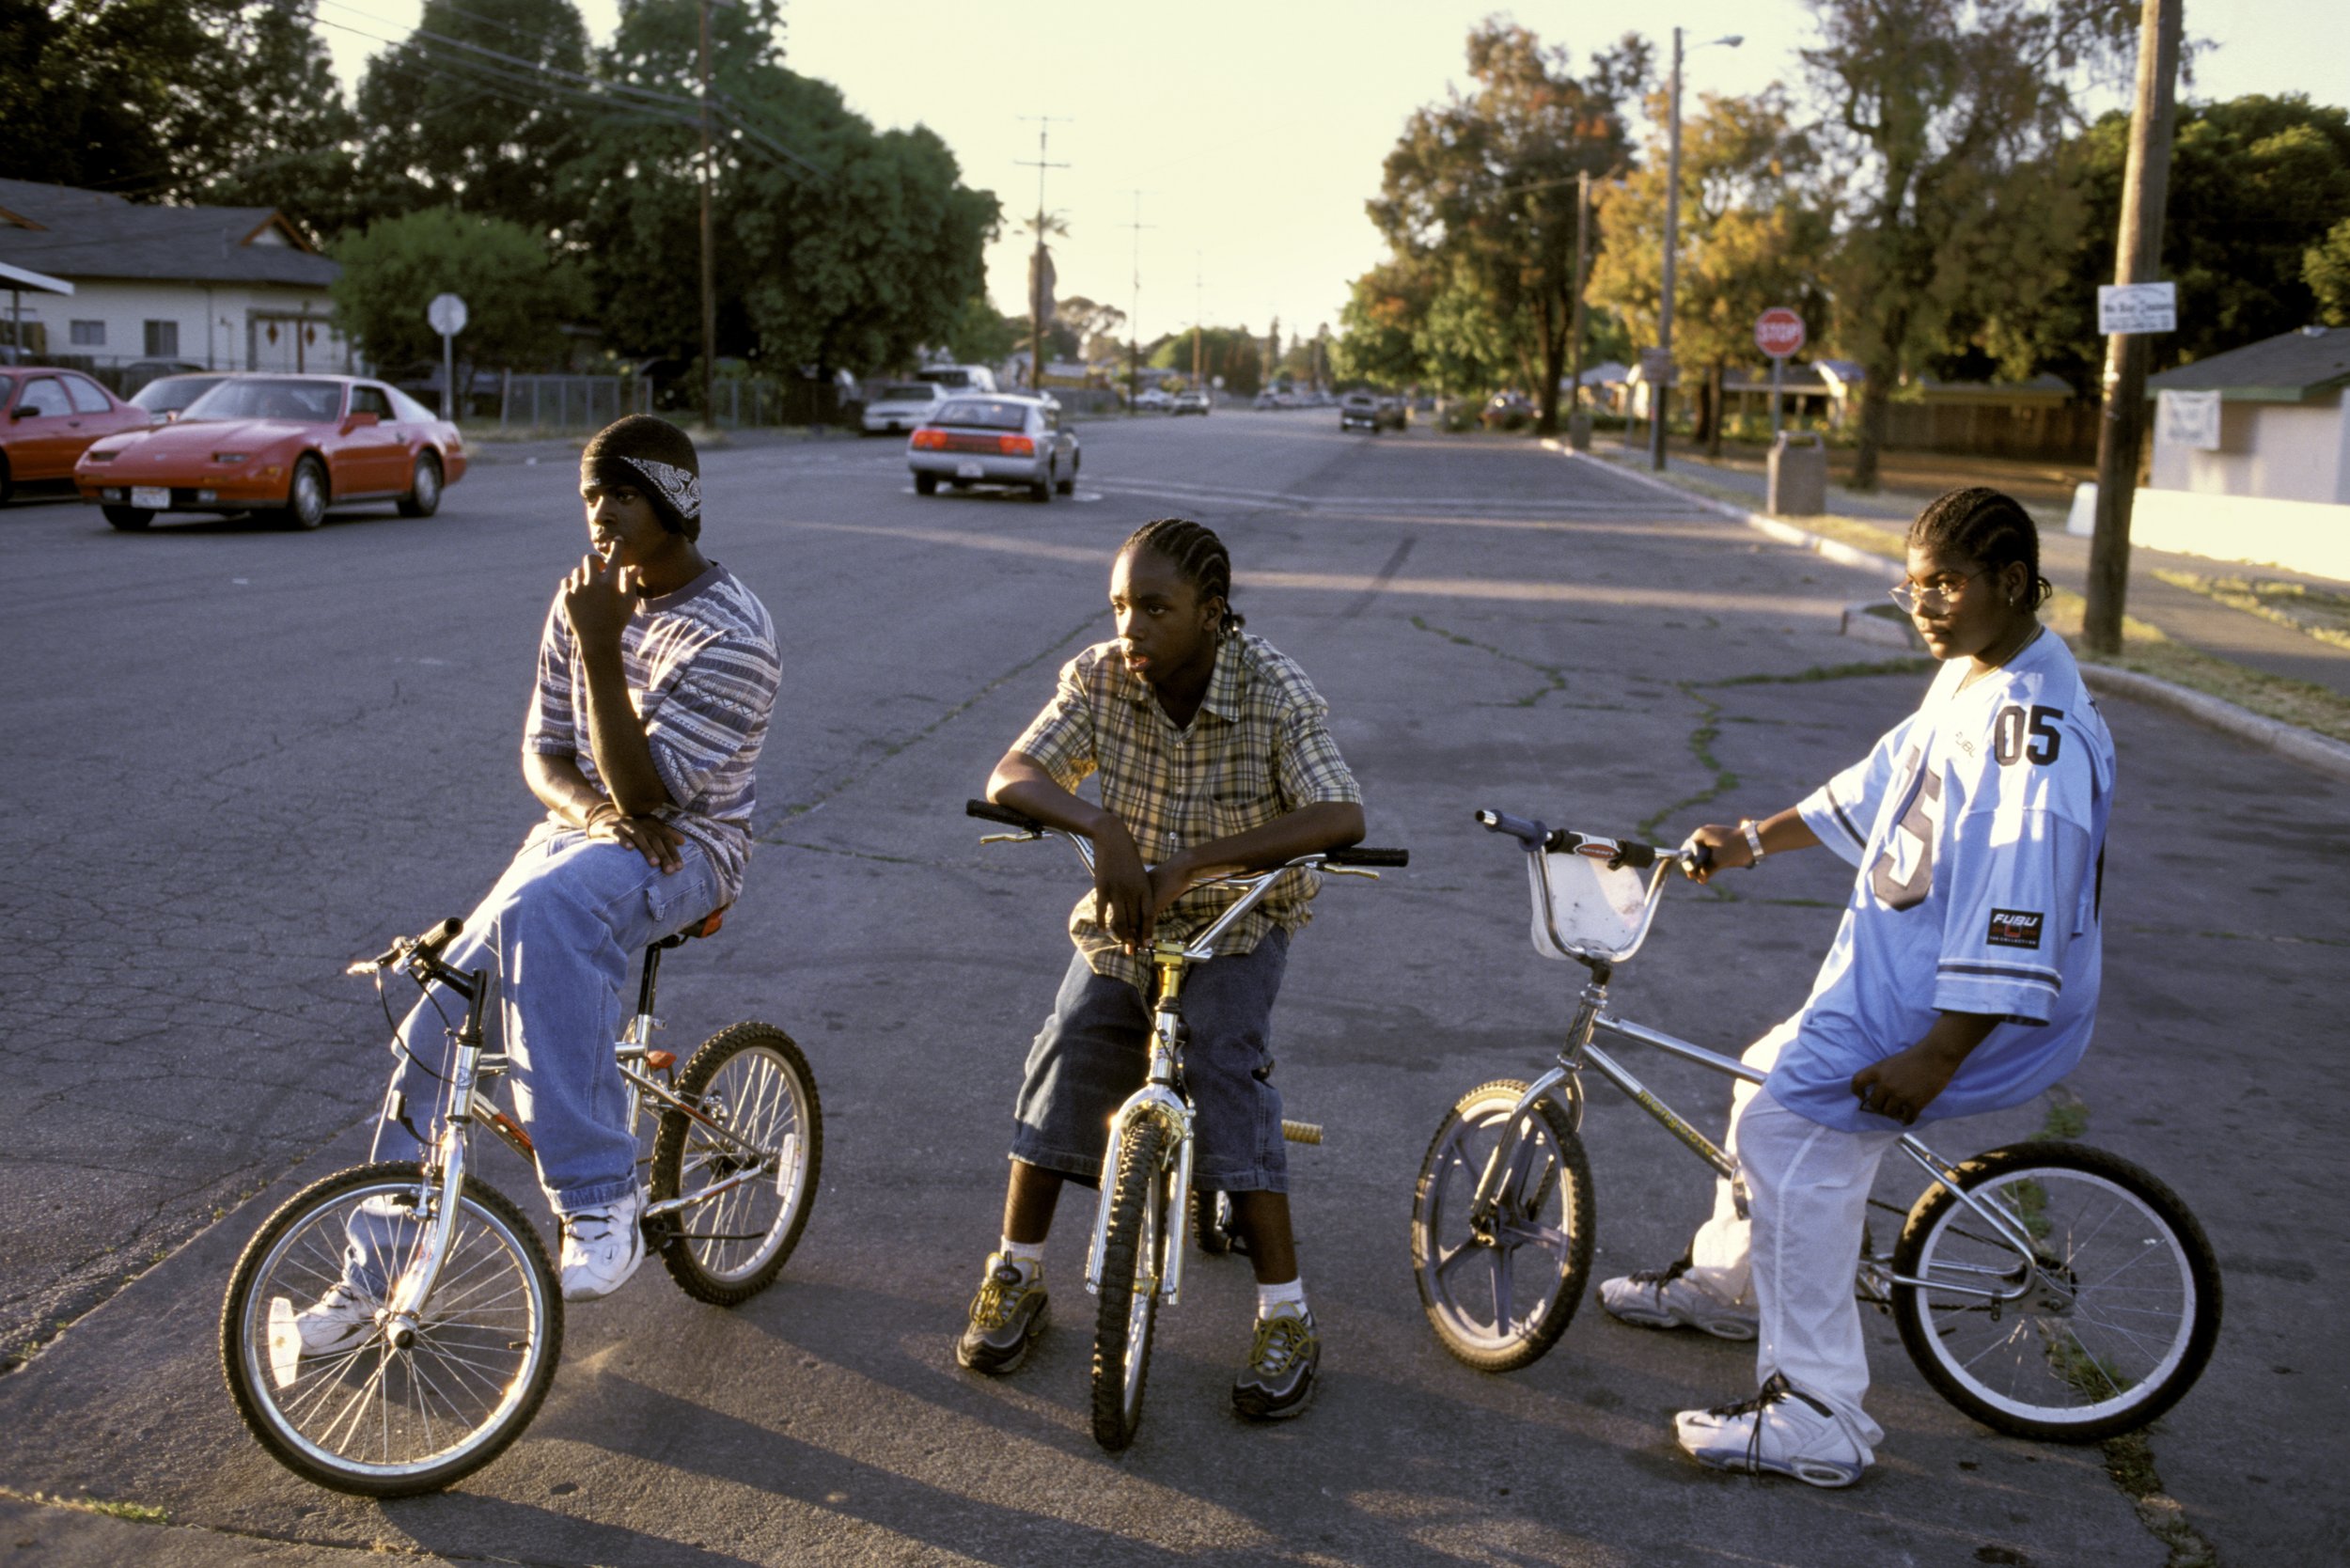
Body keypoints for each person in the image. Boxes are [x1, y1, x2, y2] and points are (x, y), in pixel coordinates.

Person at [1602, 487, 2115, 1486]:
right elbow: (1883, 782)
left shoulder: (2032, 726)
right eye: (1912, 585)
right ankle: (1734, 1283)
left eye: (1947, 584)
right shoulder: (1975, 670)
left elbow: (2021, 907)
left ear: (2011, 583)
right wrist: (1754, 838)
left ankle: (1817, 1410)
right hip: (1905, 968)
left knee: (1795, 1136)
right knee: (1760, 1075)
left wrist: (1939, 1051)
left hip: (1955, 998)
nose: (1923, 605)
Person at [298, 415, 780, 1348]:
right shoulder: (583, 601)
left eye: (622, 495)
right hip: (584, 836)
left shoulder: (736, 634)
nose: (600, 514)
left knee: (547, 911)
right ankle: (372, 1280)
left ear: (676, 502)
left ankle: (602, 1198)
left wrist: (604, 648)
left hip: (693, 848)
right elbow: (544, 753)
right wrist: (592, 812)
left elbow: (654, 796)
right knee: (437, 1010)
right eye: (589, 495)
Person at [958, 518, 1367, 1420]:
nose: (1130, 628)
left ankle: (1287, 1315)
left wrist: (1198, 862)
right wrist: (1100, 827)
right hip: (1128, 922)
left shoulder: (1270, 684)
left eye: (1155, 607)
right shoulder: (1101, 675)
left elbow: (1341, 812)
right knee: (1073, 1039)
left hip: (1236, 922)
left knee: (1224, 1059)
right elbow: (1012, 772)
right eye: (1119, 606)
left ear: (1212, 613)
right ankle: (1017, 1272)